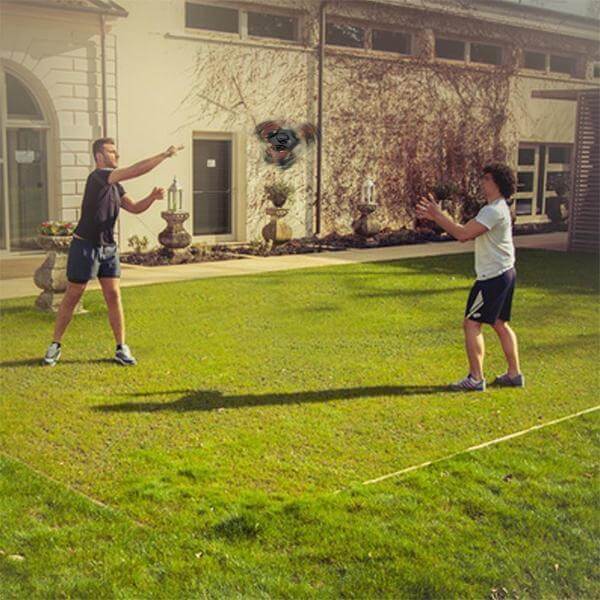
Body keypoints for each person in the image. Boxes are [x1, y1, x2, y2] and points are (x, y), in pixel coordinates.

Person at [42, 138, 183, 367]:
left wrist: (152, 197)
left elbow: (135, 207)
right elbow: (135, 171)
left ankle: (121, 348)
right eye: (112, 152)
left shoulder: (116, 186)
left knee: (114, 295)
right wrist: (164, 155)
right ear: (99, 156)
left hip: (108, 247)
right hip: (85, 245)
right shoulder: (97, 177)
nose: (117, 156)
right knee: (73, 294)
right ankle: (55, 345)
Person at [416, 162, 524, 391]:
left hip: (493, 277)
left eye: (486, 178)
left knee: (472, 324)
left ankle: (475, 379)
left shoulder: (493, 210)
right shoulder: (498, 207)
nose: (482, 181)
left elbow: (463, 234)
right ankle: (514, 374)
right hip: (505, 272)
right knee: (499, 323)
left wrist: (437, 215)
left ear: (497, 183)